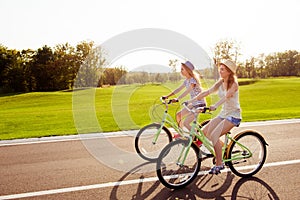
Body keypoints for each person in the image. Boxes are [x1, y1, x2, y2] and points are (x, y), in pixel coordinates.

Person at [187, 59, 242, 175]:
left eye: (222, 69)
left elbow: (227, 97)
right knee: (204, 132)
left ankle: (219, 163)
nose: (220, 71)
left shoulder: (234, 84)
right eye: (220, 68)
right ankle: (225, 148)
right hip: (223, 114)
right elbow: (207, 92)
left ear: (229, 71)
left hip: (233, 115)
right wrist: (191, 101)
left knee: (214, 135)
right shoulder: (220, 82)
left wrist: (215, 105)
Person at [163, 61, 206, 132]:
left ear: (188, 70)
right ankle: (182, 133)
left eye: (182, 69)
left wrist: (177, 99)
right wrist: (167, 96)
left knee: (186, 123)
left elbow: (188, 91)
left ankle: (196, 138)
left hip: (199, 104)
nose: (181, 71)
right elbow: (178, 89)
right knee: (178, 115)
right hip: (193, 103)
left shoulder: (193, 80)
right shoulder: (186, 80)